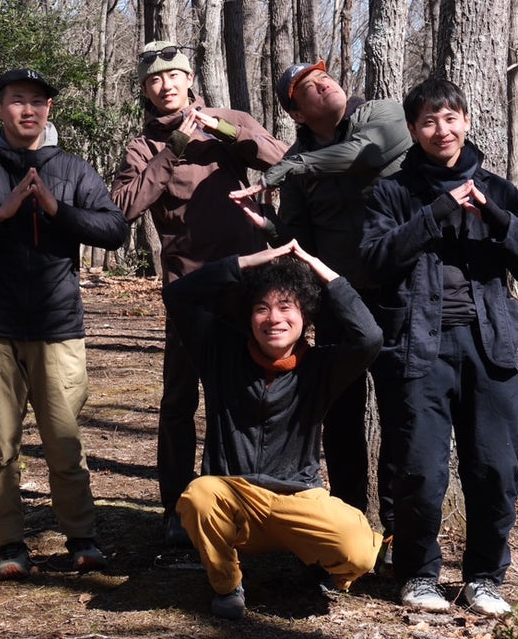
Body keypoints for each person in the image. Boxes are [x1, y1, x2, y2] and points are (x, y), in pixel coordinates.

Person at [360, 78, 518, 617]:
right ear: (414, 130)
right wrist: (437, 213)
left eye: (449, 119)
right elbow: (373, 264)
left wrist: (493, 216)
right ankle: (419, 574)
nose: (440, 130)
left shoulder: (499, 189)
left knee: (495, 467)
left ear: (465, 120)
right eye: (427, 121)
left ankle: (484, 577)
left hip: (490, 348)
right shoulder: (392, 193)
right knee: (420, 470)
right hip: (418, 347)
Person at [0, 68, 129, 579]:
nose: (29, 110)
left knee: (64, 441)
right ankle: (10, 545)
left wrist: (55, 208)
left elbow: (114, 230)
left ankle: (81, 538)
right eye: (17, 100)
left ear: (49, 111)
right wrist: (1, 214)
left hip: (59, 328)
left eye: (38, 102)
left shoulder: (73, 169)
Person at [110, 40, 286, 544]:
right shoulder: (143, 146)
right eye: (154, 81)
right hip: (189, 288)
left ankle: (246, 500)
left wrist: (225, 132)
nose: (166, 87)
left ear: (190, 80)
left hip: (249, 279)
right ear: (145, 90)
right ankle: (176, 509)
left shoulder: (228, 119)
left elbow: (282, 160)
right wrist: (175, 150)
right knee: (180, 399)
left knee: (246, 395)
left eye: (174, 77)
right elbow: (123, 206)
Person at [164, 242, 385, 619]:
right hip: (233, 496)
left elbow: (369, 338)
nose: (274, 319)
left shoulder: (320, 368)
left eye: (287, 308)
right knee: (198, 496)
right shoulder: (219, 353)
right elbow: (178, 295)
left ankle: (323, 574)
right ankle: (228, 586)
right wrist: (247, 261)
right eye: (262, 308)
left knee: (361, 549)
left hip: (298, 499)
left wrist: (319, 268)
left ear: (305, 317)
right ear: (249, 317)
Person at [231, 61, 411, 521]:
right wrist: (270, 227)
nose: (323, 83)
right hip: (338, 300)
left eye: (323, 76)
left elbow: (366, 154)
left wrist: (289, 169)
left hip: (400, 294)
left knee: (402, 414)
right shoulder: (296, 164)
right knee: (343, 417)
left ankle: (395, 530)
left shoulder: (384, 113)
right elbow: (298, 238)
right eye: (307, 87)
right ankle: (348, 523)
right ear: (297, 113)